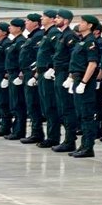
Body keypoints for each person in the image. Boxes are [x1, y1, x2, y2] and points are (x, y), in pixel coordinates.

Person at [67, 14, 102, 158]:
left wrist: (83, 82)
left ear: (89, 25)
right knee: (81, 114)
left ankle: (88, 147)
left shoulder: (90, 42)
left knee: (87, 115)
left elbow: (92, 64)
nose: (80, 24)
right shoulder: (81, 41)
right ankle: (83, 145)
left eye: (83, 22)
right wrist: (71, 78)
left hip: (85, 81)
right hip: (77, 79)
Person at [52, 10, 79, 152]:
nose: (55, 19)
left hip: (65, 74)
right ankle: (67, 139)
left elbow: (74, 57)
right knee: (62, 107)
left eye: (58, 18)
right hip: (58, 73)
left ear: (66, 21)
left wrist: (70, 75)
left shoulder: (70, 36)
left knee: (68, 108)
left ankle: (70, 140)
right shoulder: (62, 35)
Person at [35, 9, 62, 148]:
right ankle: (49, 136)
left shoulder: (55, 33)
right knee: (46, 106)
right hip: (41, 73)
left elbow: (57, 52)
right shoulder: (46, 34)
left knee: (51, 106)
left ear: (52, 19)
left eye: (44, 17)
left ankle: (53, 137)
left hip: (48, 73)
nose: (41, 18)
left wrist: (51, 67)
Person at [19, 13, 45, 144]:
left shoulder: (39, 36)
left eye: (28, 21)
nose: (26, 23)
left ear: (36, 23)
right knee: (30, 104)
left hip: (33, 74)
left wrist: (34, 74)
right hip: (27, 73)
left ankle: (37, 133)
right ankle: (35, 132)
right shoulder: (31, 37)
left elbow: (38, 57)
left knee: (34, 104)